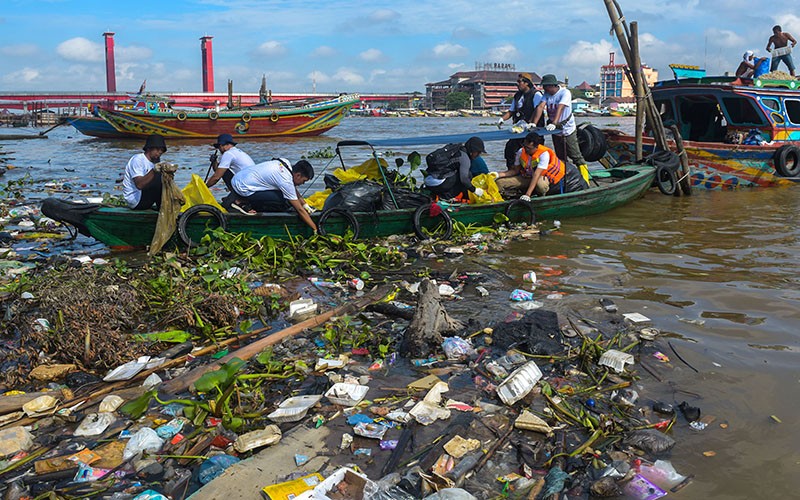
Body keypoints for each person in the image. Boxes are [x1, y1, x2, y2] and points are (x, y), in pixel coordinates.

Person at [230, 158, 317, 232]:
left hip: (238, 178)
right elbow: (299, 210)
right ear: (298, 175)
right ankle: (242, 202)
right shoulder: (285, 180)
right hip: (243, 188)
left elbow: (292, 189)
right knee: (284, 199)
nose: (302, 184)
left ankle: (243, 199)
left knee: (285, 194)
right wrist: (315, 229)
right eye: (304, 181)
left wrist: (305, 205)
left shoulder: (284, 163)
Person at [493, 132, 587, 200]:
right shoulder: (521, 152)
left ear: (536, 147)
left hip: (544, 179)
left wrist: (528, 195)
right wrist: (498, 175)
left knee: (540, 185)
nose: (526, 150)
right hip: (528, 177)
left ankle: (541, 198)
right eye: (525, 146)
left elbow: (537, 175)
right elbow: (515, 171)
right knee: (500, 183)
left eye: (529, 148)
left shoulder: (544, 154)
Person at [530, 74, 588, 170]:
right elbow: (540, 107)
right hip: (555, 130)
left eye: (545, 87)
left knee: (575, 156)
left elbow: (560, 108)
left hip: (567, 128)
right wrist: (533, 123)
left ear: (552, 85)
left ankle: (585, 179)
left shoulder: (565, 93)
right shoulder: (546, 94)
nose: (544, 89)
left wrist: (554, 122)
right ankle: (565, 177)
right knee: (560, 156)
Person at [496, 73, 544, 167]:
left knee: (531, 153)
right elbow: (511, 111)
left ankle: (531, 173)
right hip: (519, 129)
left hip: (532, 130)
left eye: (519, 82)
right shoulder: (517, 96)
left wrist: (532, 123)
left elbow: (538, 110)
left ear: (526, 83)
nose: (517, 84)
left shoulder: (536, 94)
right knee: (510, 149)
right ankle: (512, 170)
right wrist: (502, 119)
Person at [123, 134, 166, 210]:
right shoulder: (138, 160)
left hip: (145, 198)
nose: (160, 152)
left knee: (165, 179)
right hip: (136, 200)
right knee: (158, 178)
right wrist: (153, 171)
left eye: (162, 150)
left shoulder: (155, 161)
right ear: (149, 149)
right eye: (157, 149)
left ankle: (163, 208)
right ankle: (162, 209)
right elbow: (139, 185)